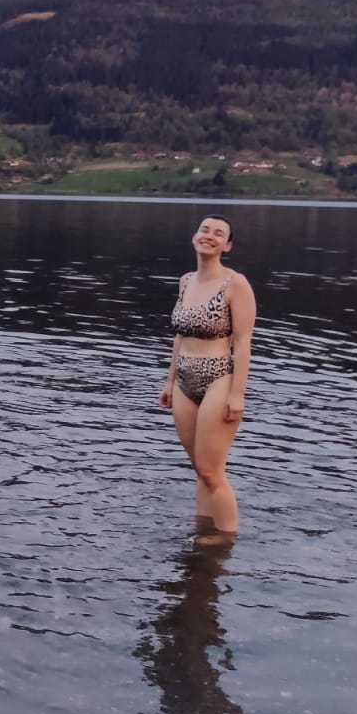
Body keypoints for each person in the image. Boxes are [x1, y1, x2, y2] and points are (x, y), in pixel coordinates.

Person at [158, 214, 256, 535]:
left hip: (218, 378)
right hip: (185, 379)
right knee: (200, 469)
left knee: (213, 472)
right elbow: (180, 335)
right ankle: (204, 531)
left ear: (226, 245)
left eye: (218, 233)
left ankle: (226, 539)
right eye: (204, 229)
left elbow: (242, 343)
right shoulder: (186, 281)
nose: (209, 236)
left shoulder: (235, 283)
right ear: (194, 237)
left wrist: (237, 395)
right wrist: (170, 381)